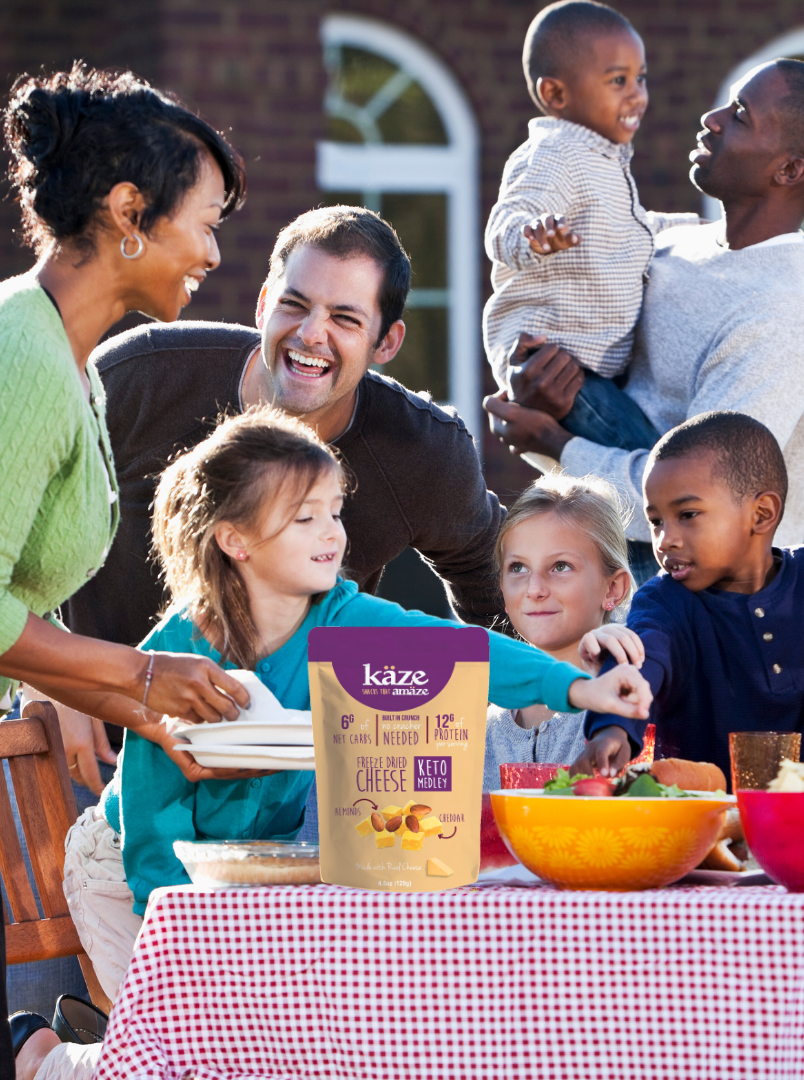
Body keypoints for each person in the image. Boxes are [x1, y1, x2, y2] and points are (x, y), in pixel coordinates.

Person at [15, 408, 652, 1080]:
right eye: (304, 518)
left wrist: (577, 691)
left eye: (334, 511)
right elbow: (153, 803)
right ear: (236, 540)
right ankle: (46, 1058)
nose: (332, 534)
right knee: (176, 1059)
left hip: (243, 874)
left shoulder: (341, 619)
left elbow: (455, 651)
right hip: (130, 870)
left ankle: (80, 1045)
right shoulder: (184, 645)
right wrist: (170, 921)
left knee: (244, 1054)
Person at [60, 203, 507, 801]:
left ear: (387, 341)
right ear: (264, 300)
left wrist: (562, 702)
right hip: (96, 744)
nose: (311, 333)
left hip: (286, 772)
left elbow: (501, 594)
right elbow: (16, 514)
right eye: (295, 304)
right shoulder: (142, 374)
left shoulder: (423, 452)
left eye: (345, 318)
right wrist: (53, 679)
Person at [0, 64, 253, 1078]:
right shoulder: (22, 358)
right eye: (206, 219)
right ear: (127, 214)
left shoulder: (67, 353)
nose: (214, 250)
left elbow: (15, 604)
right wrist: (135, 675)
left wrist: (133, 702)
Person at [485, 58, 804, 583]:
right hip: (613, 558)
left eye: (739, 116)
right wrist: (535, 387)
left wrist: (553, 443)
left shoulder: (783, 306)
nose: (711, 119)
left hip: (711, 606)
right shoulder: (667, 242)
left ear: (789, 171)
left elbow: (708, 496)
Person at [571, 411, 804, 782]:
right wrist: (612, 729)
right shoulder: (664, 601)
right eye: (656, 521)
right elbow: (640, 659)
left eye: (687, 514)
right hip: (701, 819)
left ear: (761, 514)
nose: (664, 538)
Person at [484, 0, 697, 461]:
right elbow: (505, 222)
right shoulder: (555, 153)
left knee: (647, 463)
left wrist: (697, 230)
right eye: (618, 81)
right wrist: (532, 235)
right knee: (655, 467)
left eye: (640, 78)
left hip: (594, 363)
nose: (637, 95)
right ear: (557, 95)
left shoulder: (605, 160)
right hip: (556, 364)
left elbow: (629, 229)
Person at [484, 472, 644, 790]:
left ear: (613, 588)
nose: (534, 589)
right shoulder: (480, 719)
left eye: (560, 567)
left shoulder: (638, 695)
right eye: (518, 568)